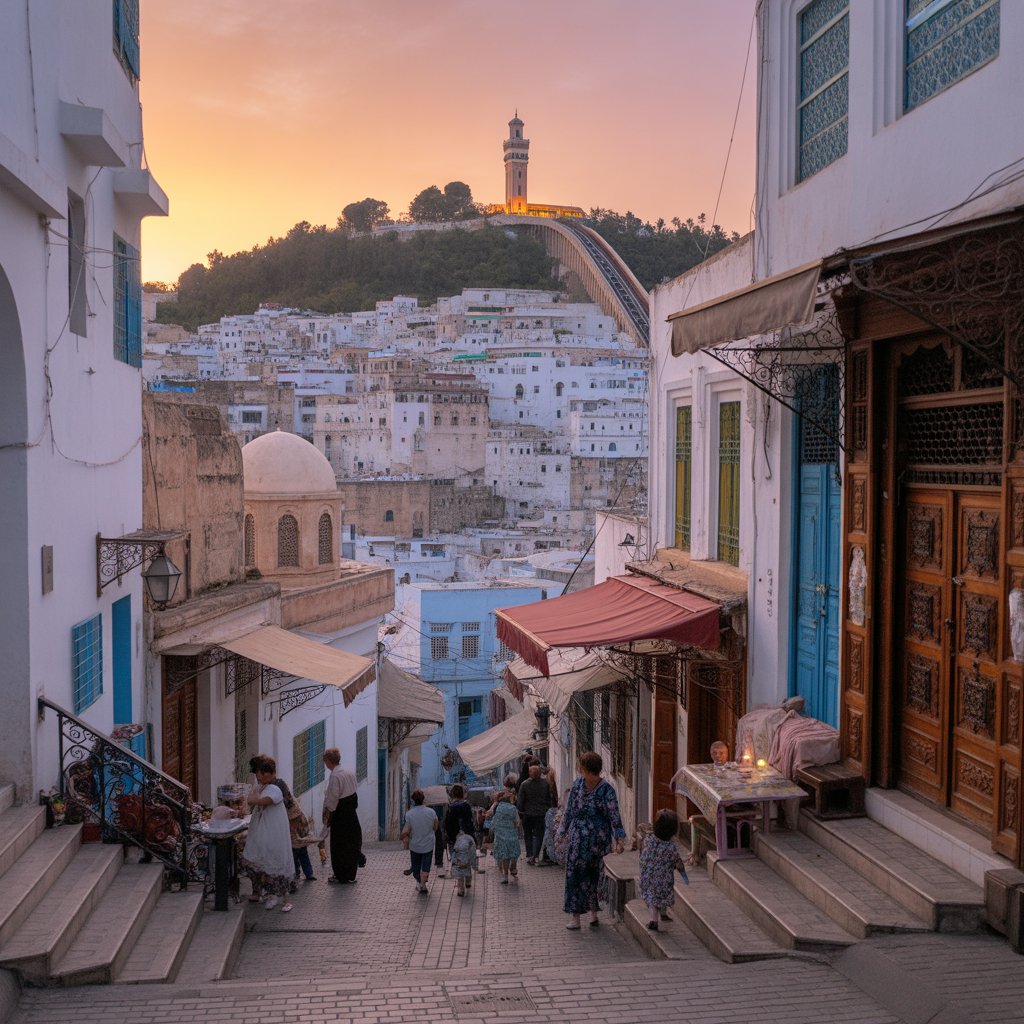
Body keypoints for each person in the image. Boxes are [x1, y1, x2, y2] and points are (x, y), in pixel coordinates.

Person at [556, 750, 625, 930]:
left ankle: (594, 913)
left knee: (595, 877)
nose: (580, 770)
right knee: (574, 876)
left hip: (598, 843)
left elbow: (614, 815)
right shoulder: (577, 785)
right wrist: (562, 832)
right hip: (578, 841)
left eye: (582, 767)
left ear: (587, 769)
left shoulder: (607, 790)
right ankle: (575, 917)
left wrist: (619, 838)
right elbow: (569, 811)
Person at [239, 755, 294, 912]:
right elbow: (251, 799)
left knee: (277, 862)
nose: (258, 776)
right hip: (263, 830)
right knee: (261, 862)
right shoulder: (261, 787)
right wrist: (253, 797)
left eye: (260, 773)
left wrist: (254, 798)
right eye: (257, 773)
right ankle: (266, 894)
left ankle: (284, 899)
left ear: (268, 773)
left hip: (274, 831)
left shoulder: (275, 788)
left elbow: (260, 801)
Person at [640, 809, 687, 931]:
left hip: (649, 877)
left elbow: (644, 853)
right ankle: (663, 914)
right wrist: (683, 873)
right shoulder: (671, 847)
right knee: (662, 896)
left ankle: (654, 920)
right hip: (664, 879)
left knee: (652, 900)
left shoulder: (649, 839)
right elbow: (678, 863)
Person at [322, 747, 361, 884]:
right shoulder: (349, 772)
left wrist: (327, 816)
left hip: (341, 815)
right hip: (351, 813)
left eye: (325, 761)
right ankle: (351, 874)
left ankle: (340, 874)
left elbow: (332, 799)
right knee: (351, 843)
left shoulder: (335, 776)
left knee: (338, 845)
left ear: (329, 761)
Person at [402, 789, 438, 895]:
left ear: (413, 800)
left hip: (415, 845)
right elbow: (435, 827)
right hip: (428, 843)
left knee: (416, 865)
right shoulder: (431, 812)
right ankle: (423, 884)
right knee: (426, 865)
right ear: (423, 799)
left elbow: (407, 829)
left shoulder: (409, 814)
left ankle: (419, 882)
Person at [517, 763, 552, 865]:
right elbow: (548, 798)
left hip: (528, 813)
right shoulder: (545, 783)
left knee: (528, 834)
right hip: (541, 813)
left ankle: (530, 855)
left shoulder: (524, 784)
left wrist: (521, 810)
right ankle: (536, 856)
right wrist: (547, 807)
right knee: (539, 835)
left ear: (529, 773)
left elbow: (520, 800)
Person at [485, 790, 521, 884]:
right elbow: (517, 823)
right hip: (512, 834)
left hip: (500, 835)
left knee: (504, 855)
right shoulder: (513, 808)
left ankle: (505, 876)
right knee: (514, 851)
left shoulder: (496, 806)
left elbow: (488, 815)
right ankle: (513, 867)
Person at [450, 828, 478, 896]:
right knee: (467, 864)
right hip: (469, 847)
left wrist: (454, 861)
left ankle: (461, 889)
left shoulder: (458, 842)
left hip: (460, 850)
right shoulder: (468, 838)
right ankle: (468, 881)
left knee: (460, 869)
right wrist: (474, 865)